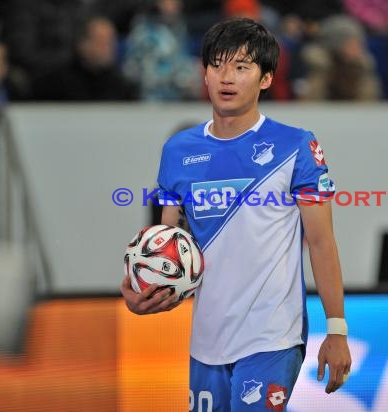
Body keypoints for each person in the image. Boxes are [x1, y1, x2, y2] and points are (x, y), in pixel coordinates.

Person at [120, 17, 351, 410]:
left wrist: (337, 329)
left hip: (272, 337)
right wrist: (138, 293)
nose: (227, 77)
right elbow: (164, 245)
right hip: (207, 340)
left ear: (265, 79)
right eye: (217, 65)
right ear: (204, 74)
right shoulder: (178, 150)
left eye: (241, 67)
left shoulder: (297, 146)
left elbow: (321, 241)